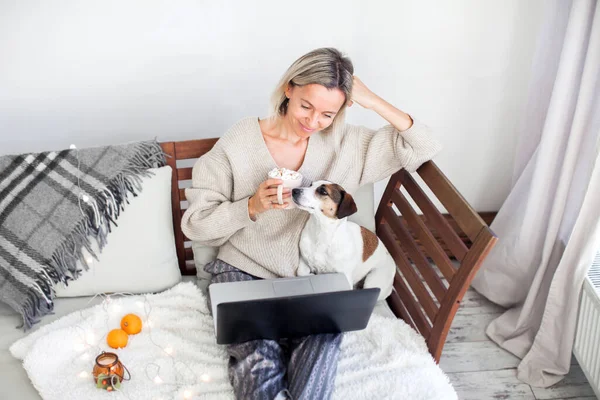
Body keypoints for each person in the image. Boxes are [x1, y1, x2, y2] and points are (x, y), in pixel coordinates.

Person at [181, 47, 442, 400]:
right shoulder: (239, 142)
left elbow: (426, 144)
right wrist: (252, 206)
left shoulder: (349, 145)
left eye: (327, 113)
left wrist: (370, 99)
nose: (313, 122)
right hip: (245, 270)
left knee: (320, 353)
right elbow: (195, 225)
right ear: (289, 88)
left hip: (314, 283)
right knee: (258, 365)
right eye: (306, 106)